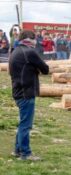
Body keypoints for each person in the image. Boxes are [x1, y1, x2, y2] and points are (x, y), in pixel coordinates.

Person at [9, 30, 49, 161]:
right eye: (34, 39)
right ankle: (26, 154)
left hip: (18, 91)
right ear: (29, 39)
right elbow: (45, 69)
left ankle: (17, 150)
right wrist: (36, 68)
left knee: (23, 123)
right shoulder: (30, 52)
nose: (36, 41)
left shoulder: (15, 51)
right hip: (26, 92)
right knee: (26, 124)